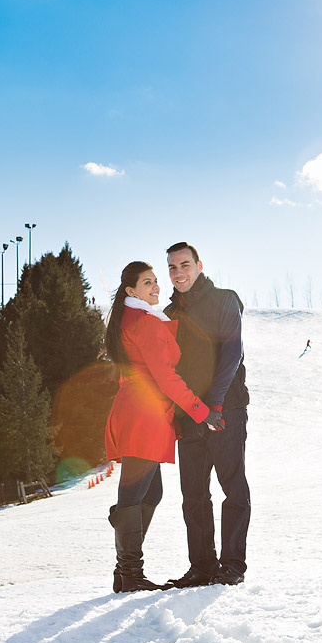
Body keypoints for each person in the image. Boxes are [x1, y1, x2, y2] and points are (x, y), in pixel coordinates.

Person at [104, 261, 222, 593]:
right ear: (131, 291)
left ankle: (125, 570)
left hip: (139, 412)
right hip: (144, 415)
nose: (156, 287)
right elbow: (167, 378)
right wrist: (201, 411)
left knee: (149, 493)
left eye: (156, 281)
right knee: (133, 494)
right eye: (147, 283)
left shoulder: (131, 319)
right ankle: (129, 573)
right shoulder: (145, 323)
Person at [164, 242, 250, 587]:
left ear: (199, 265)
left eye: (184, 264)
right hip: (188, 415)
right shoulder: (170, 313)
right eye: (172, 267)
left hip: (224, 410)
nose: (178, 272)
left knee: (233, 489)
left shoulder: (224, 299)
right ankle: (202, 567)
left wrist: (213, 405)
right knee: (194, 495)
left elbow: (232, 352)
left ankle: (232, 566)